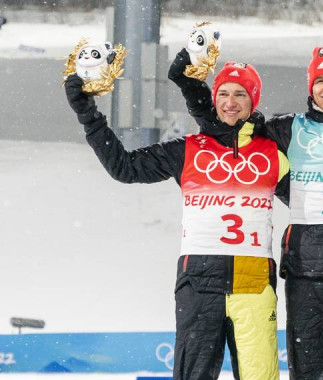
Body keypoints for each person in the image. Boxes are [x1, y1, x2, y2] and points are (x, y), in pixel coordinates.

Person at [170, 44, 323, 380]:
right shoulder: (286, 130)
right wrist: (191, 86)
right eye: (320, 80)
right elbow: (228, 126)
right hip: (305, 271)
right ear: (310, 86)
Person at [65, 62, 286, 380]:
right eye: (223, 93)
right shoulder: (189, 149)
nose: (230, 101)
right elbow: (124, 167)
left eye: (240, 94)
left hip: (254, 286)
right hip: (198, 284)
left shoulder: (272, 151)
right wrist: (86, 111)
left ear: (254, 101)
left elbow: (308, 198)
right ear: (214, 98)